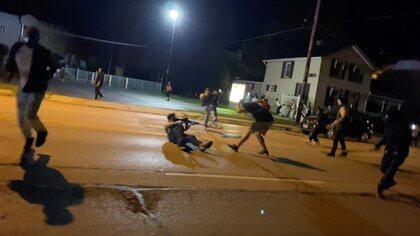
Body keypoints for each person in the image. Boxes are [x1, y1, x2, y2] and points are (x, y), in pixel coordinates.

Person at [5, 26, 57, 153]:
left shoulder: (43, 52)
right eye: (28, 34)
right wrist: (10, 73)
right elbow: (12, 61)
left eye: (32, 35)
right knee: (21, 117)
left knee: (29, 114)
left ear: (37, 38)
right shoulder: (17, 47)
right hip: (23, 87)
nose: (29, 37)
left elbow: (53, 66)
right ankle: (28, 138)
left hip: (37, 88)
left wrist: (44, 78)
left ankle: (41, 131)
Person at [375, 107, 411, 198]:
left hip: (400, 152)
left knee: (392, 168)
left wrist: (397, 149)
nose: (387, 116)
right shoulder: (389, 124)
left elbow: (405, 140)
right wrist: (379, 144)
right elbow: (386, 136)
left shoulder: (403, 126)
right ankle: (389, 181)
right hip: (389, 149)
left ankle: (382, 185)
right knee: (383, 167)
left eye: (388, 115)